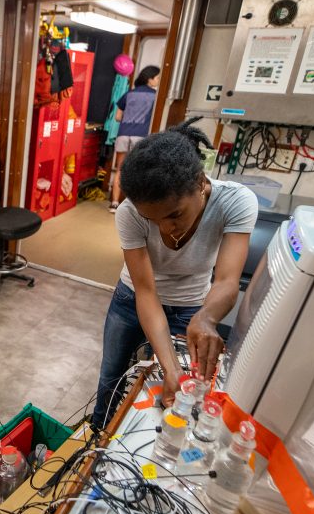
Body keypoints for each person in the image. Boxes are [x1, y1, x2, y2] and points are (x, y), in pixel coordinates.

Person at [92, 120, 257, 428]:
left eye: (175, 214)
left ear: (200, 182)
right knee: (111, 376)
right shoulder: (129, 212)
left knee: (181, 391)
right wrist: (169, 367)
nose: (166, 228)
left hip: (191, 305)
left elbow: (226, 280)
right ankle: (97, 431)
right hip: (133, 300)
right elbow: (146, 291)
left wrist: (206, 317)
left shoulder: (235, 201)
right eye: (151, 220)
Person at [109, 65, 160, 212]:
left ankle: (114, 203)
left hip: (123, 134)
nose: (158, 81)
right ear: (149, 79)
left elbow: (118, 117)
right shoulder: (155, 96)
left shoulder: (129, 94)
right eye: (157, 78)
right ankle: (133, 206)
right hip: (140, 136)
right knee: (138, 171)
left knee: (120, 169)